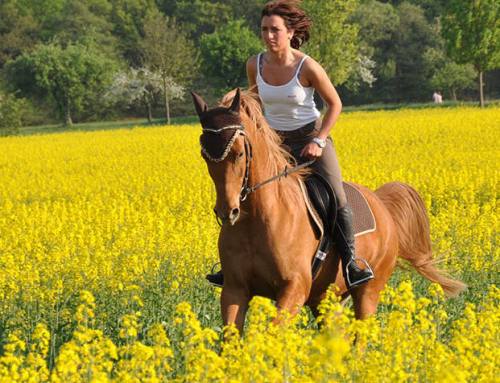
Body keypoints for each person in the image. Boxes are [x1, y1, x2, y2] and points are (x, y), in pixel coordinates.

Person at [207, 0, 374, 289]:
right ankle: (232, 267)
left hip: (310, 140)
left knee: (336, 194)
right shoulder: (254, 65)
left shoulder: (306, 66)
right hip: (275, 144)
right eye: (264, 30)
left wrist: (319, 140)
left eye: (275, 30)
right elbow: (256, 104)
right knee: (246, 194)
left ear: (291, 32)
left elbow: (334, 104)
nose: (269, 36)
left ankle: (351, 263)